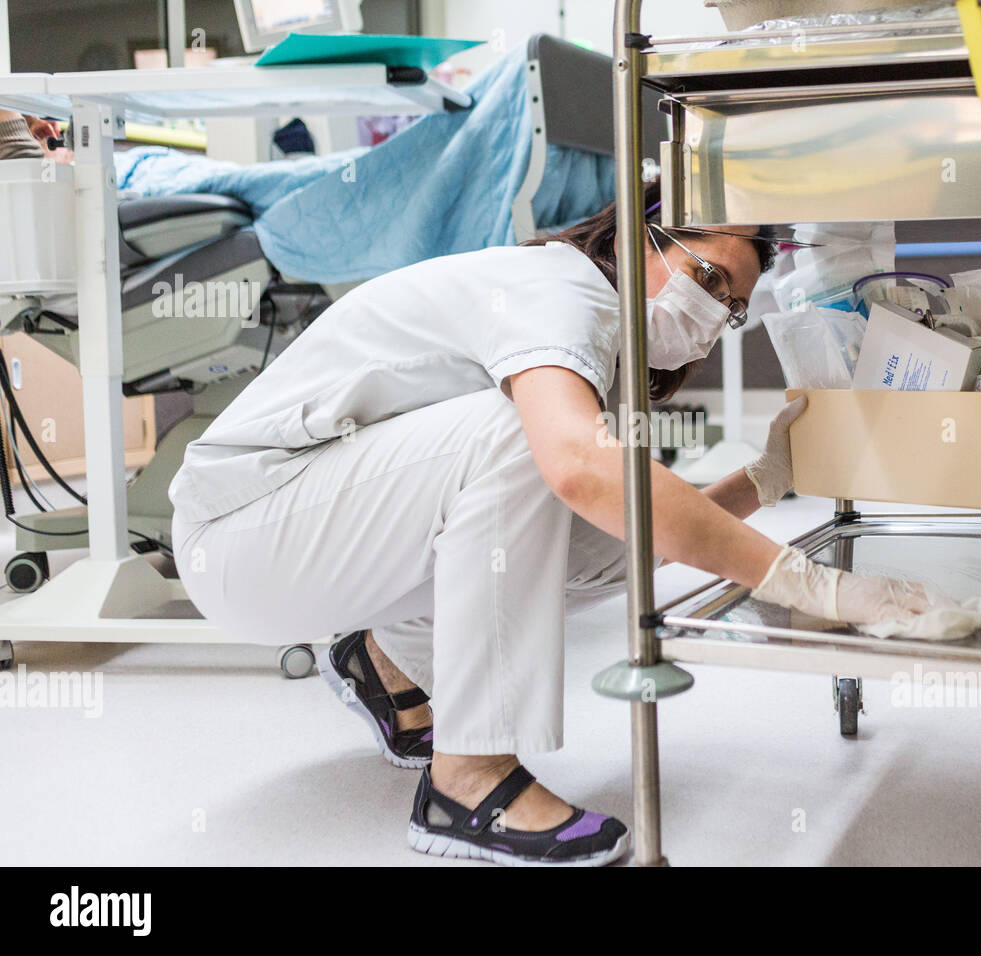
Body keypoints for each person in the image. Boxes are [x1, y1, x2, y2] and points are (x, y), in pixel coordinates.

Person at [169, 189, 939, 866]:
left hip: (303, 543)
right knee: (521, 443)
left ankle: (387, 661)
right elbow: (577, 463)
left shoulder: (595, 340)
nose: (712, 317)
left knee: (600, 524)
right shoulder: (559, 287)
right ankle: (466, 782)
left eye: (731, 306)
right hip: (240, 531)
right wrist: (806, 583)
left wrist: (765, 480)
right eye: (707, 278)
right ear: (642, 238)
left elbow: (615, 512)